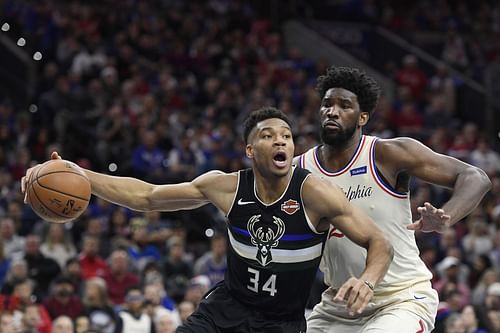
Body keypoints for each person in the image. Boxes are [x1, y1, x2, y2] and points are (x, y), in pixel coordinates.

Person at [22, 107, 393, 333]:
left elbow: (380, 243)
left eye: (286, 136)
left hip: (281, 323)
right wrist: (77, 173)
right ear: (250, 150)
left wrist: (367, 279)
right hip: (225, 311)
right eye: (268, 136)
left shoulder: (315, 194)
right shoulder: (227, 187)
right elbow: (147, 196)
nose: (281, 142)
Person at [296, 66, 491, 332]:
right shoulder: (299, 171)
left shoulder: (387, 154)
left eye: (344, 105)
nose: (333, 111)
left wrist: (448, 216)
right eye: (327, 104)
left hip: (401, 298)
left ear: (362, 117)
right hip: (340, 303)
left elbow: (475, 177)